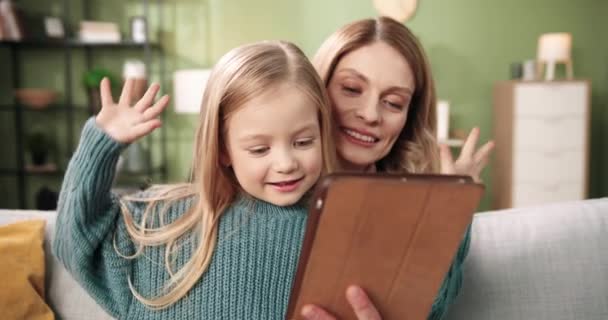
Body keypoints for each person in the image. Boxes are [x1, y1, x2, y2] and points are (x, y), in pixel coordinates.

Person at [52, 40, 338, 319]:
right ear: (223, 149)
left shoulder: (335, 233)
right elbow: (74, 241)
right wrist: (102, 143)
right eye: (260, 149)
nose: (286, 164)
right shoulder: (162, 221)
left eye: (303, 142)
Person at [299, 17, 495, 320]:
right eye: (351, 89)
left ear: (408, 119)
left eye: (392, 102)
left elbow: (434, 307)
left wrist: (450, 214)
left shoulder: (411, 209)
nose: (370, 114)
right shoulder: (275, 192)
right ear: (317, 89)